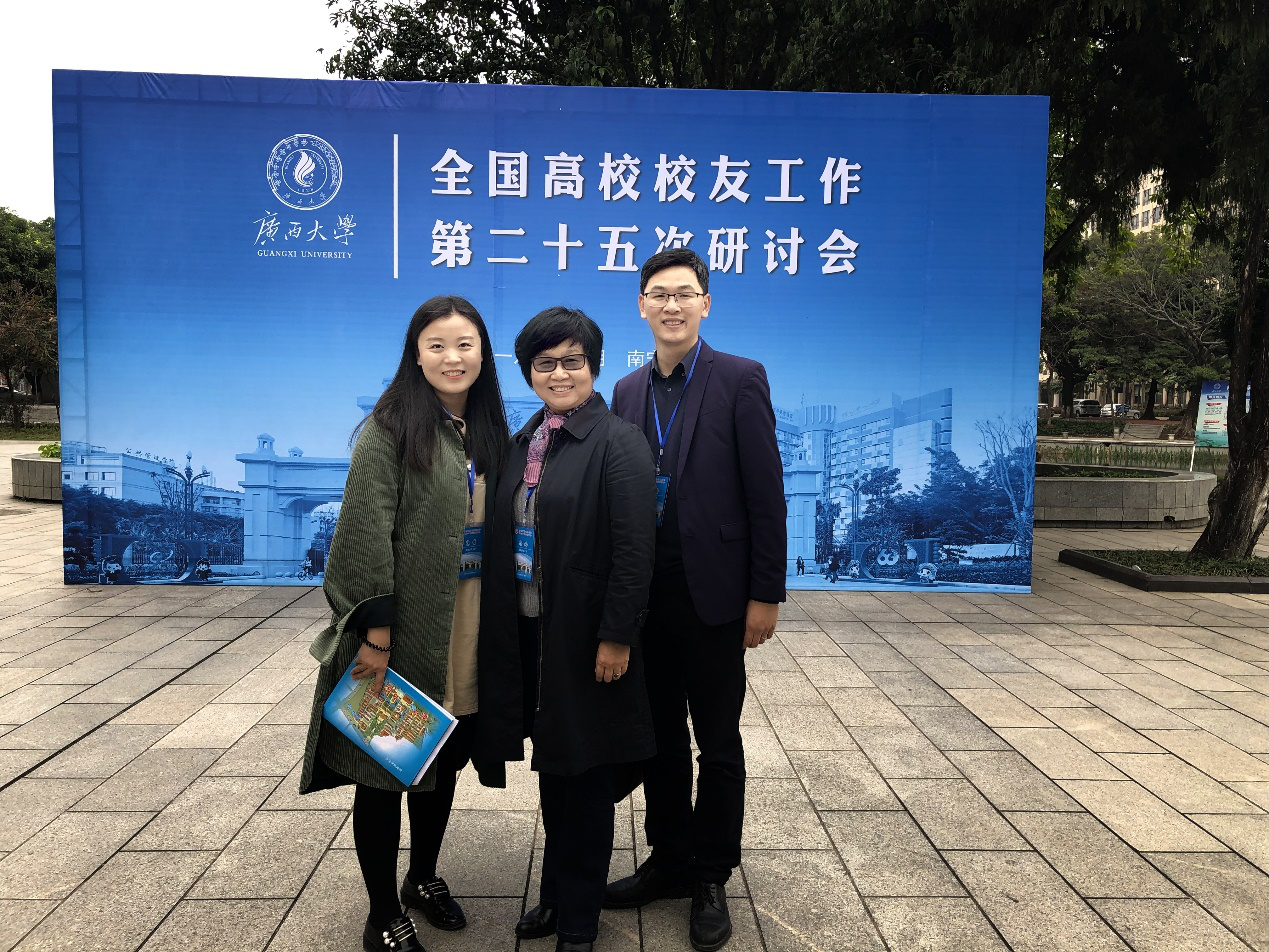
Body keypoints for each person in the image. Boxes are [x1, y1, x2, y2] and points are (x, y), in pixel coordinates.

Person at [299, 295, 510, 952]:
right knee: (385, 770)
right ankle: (381, 911)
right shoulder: (389, 430)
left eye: (465, 344)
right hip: (404, 633)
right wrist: (376, 633)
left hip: (467, 623)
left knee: (438, 757)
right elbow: (363, 534)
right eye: (437, 345)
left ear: (483, 354)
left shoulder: (487, 429)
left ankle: (422, 876)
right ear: (415, 355)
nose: (452, 357)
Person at [605, 248, 787, 952]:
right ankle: (669, 859)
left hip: (713, 595)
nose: (671, 305)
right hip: (645, 599)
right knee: (657, 739)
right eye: (659, 294)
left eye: (684, 293)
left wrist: (764, 594)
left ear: (704, 304)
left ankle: (710, 874)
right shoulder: (625, 391)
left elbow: (765, 494)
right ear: (642, 306)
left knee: (717, 741)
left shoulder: (740, 378)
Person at [478, 307, 656, 952]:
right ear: (529, 372)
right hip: (532, 635)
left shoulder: (618, 441)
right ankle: (556, 894)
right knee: (555, 771)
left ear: (594, 366)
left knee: (584, 781)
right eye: (545, 363)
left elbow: (635, 550)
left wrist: (617, 636)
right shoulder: (524, 441)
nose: (560, 373)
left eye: (573, 361)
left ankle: (579, 921)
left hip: (585, 639)